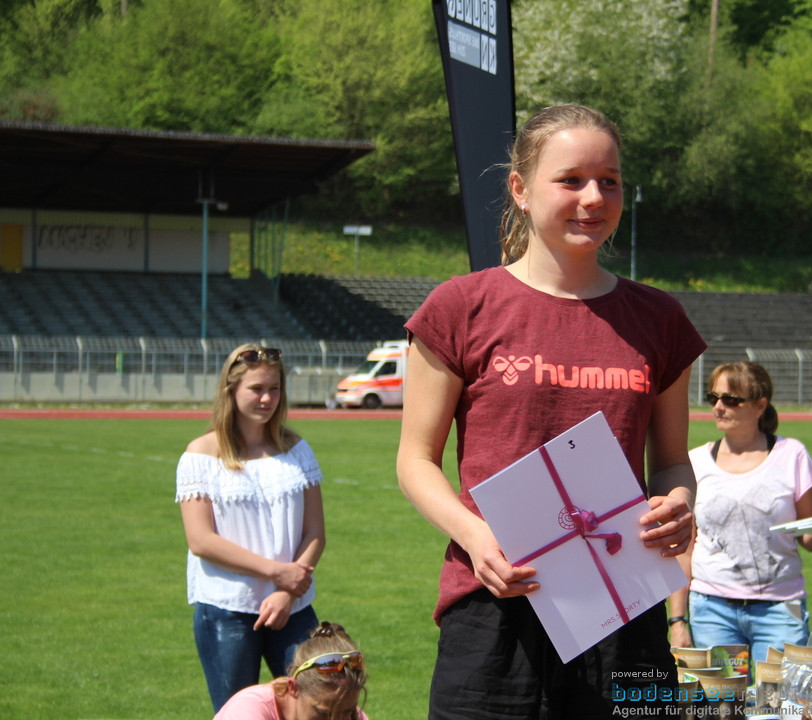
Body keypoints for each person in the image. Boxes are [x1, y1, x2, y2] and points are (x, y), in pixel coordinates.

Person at [396, 103, 707, 720]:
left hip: (626, 607)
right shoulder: (462, 306)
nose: (594, 197)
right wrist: (476, 536)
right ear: (520, 189)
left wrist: (678, 505)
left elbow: (671, 463)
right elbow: (415, 459)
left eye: (609, 181)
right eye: (571, 180)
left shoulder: (660, 319)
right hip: (496, 603)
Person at [177, 344, 326, 712]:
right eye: (256, 389)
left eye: (274, 388)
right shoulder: (200, 455)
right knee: (236, 713)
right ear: (231, 391)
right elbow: (201, 541)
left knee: (319, 705)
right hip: (227, 609)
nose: (267, 398)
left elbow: (316, 533)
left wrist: (287, 592)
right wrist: (278, 573)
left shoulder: (296, 449)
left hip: (293, 606)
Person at [668, 361, 812, 662]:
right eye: (714, 398)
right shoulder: (695, 461)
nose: (719, 407)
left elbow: (807, 537)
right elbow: (684, 550)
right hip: (712, 608)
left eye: (731, 399)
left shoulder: (792, 455)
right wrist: (677, 621)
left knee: (779, 703)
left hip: (780, 608)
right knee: (723, 705)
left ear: (760, 405)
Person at [213, 621, 371, 720]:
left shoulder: (343, 708)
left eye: (348, 712)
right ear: (293, 688)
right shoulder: (247, 711)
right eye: (323, 714)